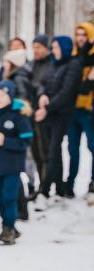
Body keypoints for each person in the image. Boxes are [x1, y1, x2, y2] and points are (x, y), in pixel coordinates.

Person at [0, 80, 33, 245]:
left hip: (13, 165)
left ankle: (9, 228)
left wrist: (5, 141)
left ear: (10, 96)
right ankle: (8, 226)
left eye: (3, 95)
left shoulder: (18, 115)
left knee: (9, 197)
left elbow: (26, 141)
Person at [35, 36, 81, 204]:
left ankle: (45, 190)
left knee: (54, 150)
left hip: (62, 114)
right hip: (49, 112)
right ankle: (59, 188)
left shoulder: (73, 65)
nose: (53, 51)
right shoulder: (54, 63)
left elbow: (66, 93)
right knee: (52, 152)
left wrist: (46, 109)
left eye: (55, 47)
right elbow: (43, 83)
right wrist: (42, 96)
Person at [66, 22, 94, 197]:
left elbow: (87, 86)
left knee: (93, 146)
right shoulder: (73, 56)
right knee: (72, 149)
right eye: (77, 34)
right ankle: (70, 183)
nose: (80, 38)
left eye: (84, 34)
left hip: (89, 109)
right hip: (73, 109)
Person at [28, 34, 53, 195]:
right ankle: (41, 184)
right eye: (34, 47)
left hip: (45, 114)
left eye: (38, 47)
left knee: (46, 152)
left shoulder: (51, 65)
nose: (35, 50)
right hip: (31, 112)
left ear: (46, 48)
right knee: (36, 152)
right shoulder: (32, 64)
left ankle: (46, 186)